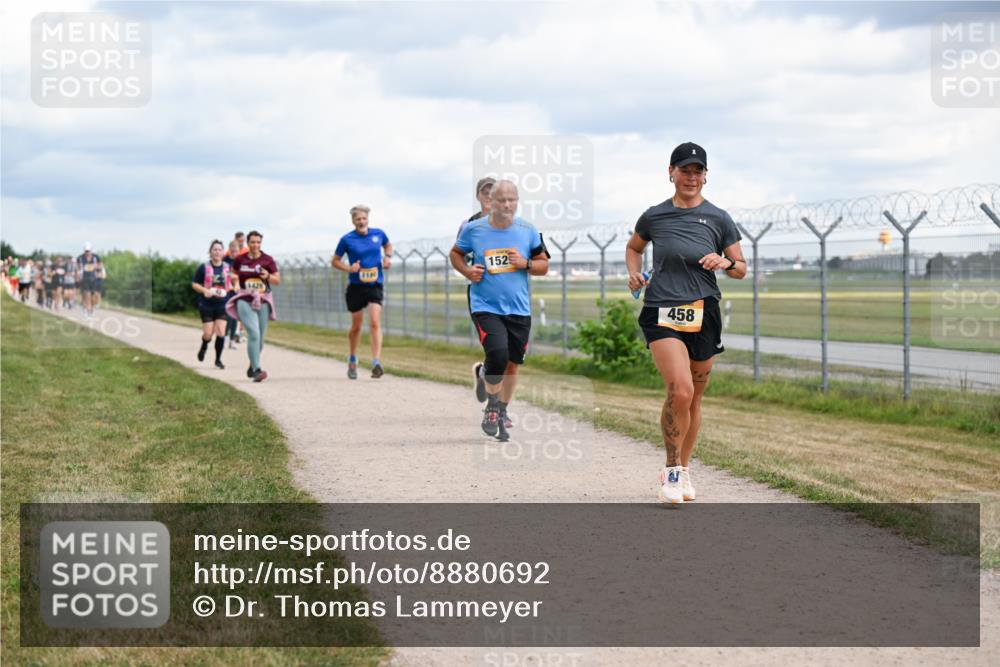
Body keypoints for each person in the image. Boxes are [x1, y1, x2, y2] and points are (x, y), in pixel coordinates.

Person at [625, 142, 747, 505]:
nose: (691, 177)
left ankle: (685, 469)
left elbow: (741, 268)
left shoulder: (719, 218)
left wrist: (726, 263)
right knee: (679, 390)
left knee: (694, 399)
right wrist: (634, 274)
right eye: (685, 170)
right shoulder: (654, 216)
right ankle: (671, 470)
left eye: (698, 171)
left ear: (705, 176)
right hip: (662, 308)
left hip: (704, 311)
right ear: (671, 173)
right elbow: (634, 248)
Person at [450, 180, 550, 441]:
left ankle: (502, 409)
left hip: (518, 308)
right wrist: (467, 271)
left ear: (517, 201)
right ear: (490, 202)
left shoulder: (528, 230)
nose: (507, 205)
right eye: (501, 200)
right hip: (485, 305)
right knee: (497, 353)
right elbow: (456, 254)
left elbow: (543, 265)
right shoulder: (473, 229)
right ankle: (492, 408)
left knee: (512, 364)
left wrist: (525, 263)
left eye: (511, 200)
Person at [331, 205, 393, 379]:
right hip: (356, 286)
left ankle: (376, 362)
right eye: (358, 219)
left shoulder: (378, 234)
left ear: (368, 219)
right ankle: (352, 358)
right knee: (356, 326)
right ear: (353, 221)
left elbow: (388, 245)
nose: (361, 221)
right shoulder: (347, 239)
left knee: (374, 322)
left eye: (364, 218)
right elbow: (335, 261)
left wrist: (387, 257)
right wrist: (349, 268)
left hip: (375, 284)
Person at [226, 231, 280, 382]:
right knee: (254, 334)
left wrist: (268, 276)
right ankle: (257, 370)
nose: (255, 245)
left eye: (258, 242)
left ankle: (252, 365)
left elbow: (277, 280)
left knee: (260, 339)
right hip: (244, 299)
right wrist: (236, 281)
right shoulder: (240, 259)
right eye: (252, 242)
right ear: (247, 243)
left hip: (262, 299)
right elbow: (233, 273)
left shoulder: (268, 260)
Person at [460, 177, 495, 406]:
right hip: (480, 293)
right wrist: (469, 270)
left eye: (493, 192)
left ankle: (483, 372)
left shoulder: (512, 224)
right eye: (485, 192)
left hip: (509, 293)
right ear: (478, 196)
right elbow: (458, 255)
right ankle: (497, 407)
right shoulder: (469, 225)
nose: (489, 197)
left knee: (508, 349)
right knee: (494, 345)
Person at [191, 240, 233, 370]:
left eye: (219, 249)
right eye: (214, 249)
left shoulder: (228, 267)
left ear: (223, 252)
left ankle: (218, 360)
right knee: (208, 334)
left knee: (220, 331)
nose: (217, 252)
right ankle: (204, 344)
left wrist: (234, 286)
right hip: (207, 304)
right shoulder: (203, 267)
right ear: (210, 252)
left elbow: (234, 281)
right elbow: (194, 284)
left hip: (222, 303)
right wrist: (204, 290)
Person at [224, 240, 242, 348]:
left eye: (236, 250)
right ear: (230, 249)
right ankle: (225, 337)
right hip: (227, 291)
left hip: (237, 291)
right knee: (228, 315)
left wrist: (237, 282)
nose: (234, 252)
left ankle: (232, 340)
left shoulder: (241, 261)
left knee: (235, 315)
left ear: (239, 250)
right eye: (233, 250)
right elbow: (224, 274)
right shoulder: (225, 260)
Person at [76, 243, 101, 318]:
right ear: (84, 251)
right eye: (86, 251)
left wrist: (98, 270)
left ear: (91, 250)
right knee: (87, 295)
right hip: (85, 279)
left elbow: (100, 265)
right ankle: (87, 310)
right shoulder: (80, 258)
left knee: (93, 297)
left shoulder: (96, 257)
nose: (87, 253)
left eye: (88, 251)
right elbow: (78, 268)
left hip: (93, 279)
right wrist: (78, 275)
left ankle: (91, 309)